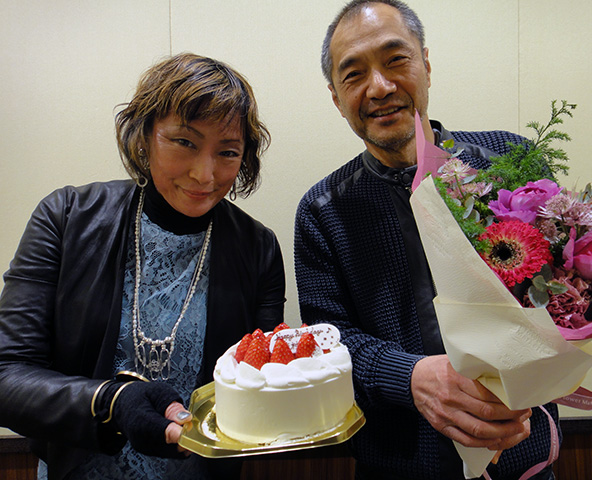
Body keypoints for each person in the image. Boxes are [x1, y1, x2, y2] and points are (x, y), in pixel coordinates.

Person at [294, 1, 559, 479]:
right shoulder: (322, 210)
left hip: (524, 456)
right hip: (396, 464)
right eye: (354, 74)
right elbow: (328, 341)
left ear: (426, 64)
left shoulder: (513, 160)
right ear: (336, 98)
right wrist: (411, 377)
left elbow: (562, 294)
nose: (380, 86)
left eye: (396, 59)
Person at [0, 53, 286, 479]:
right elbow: (7, 374)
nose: (205, 175)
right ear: (144, 134)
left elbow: (257, 384)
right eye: (184, 142)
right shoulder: (65, 217)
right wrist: (112, 403)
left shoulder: (258, 248)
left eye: (227, 152)